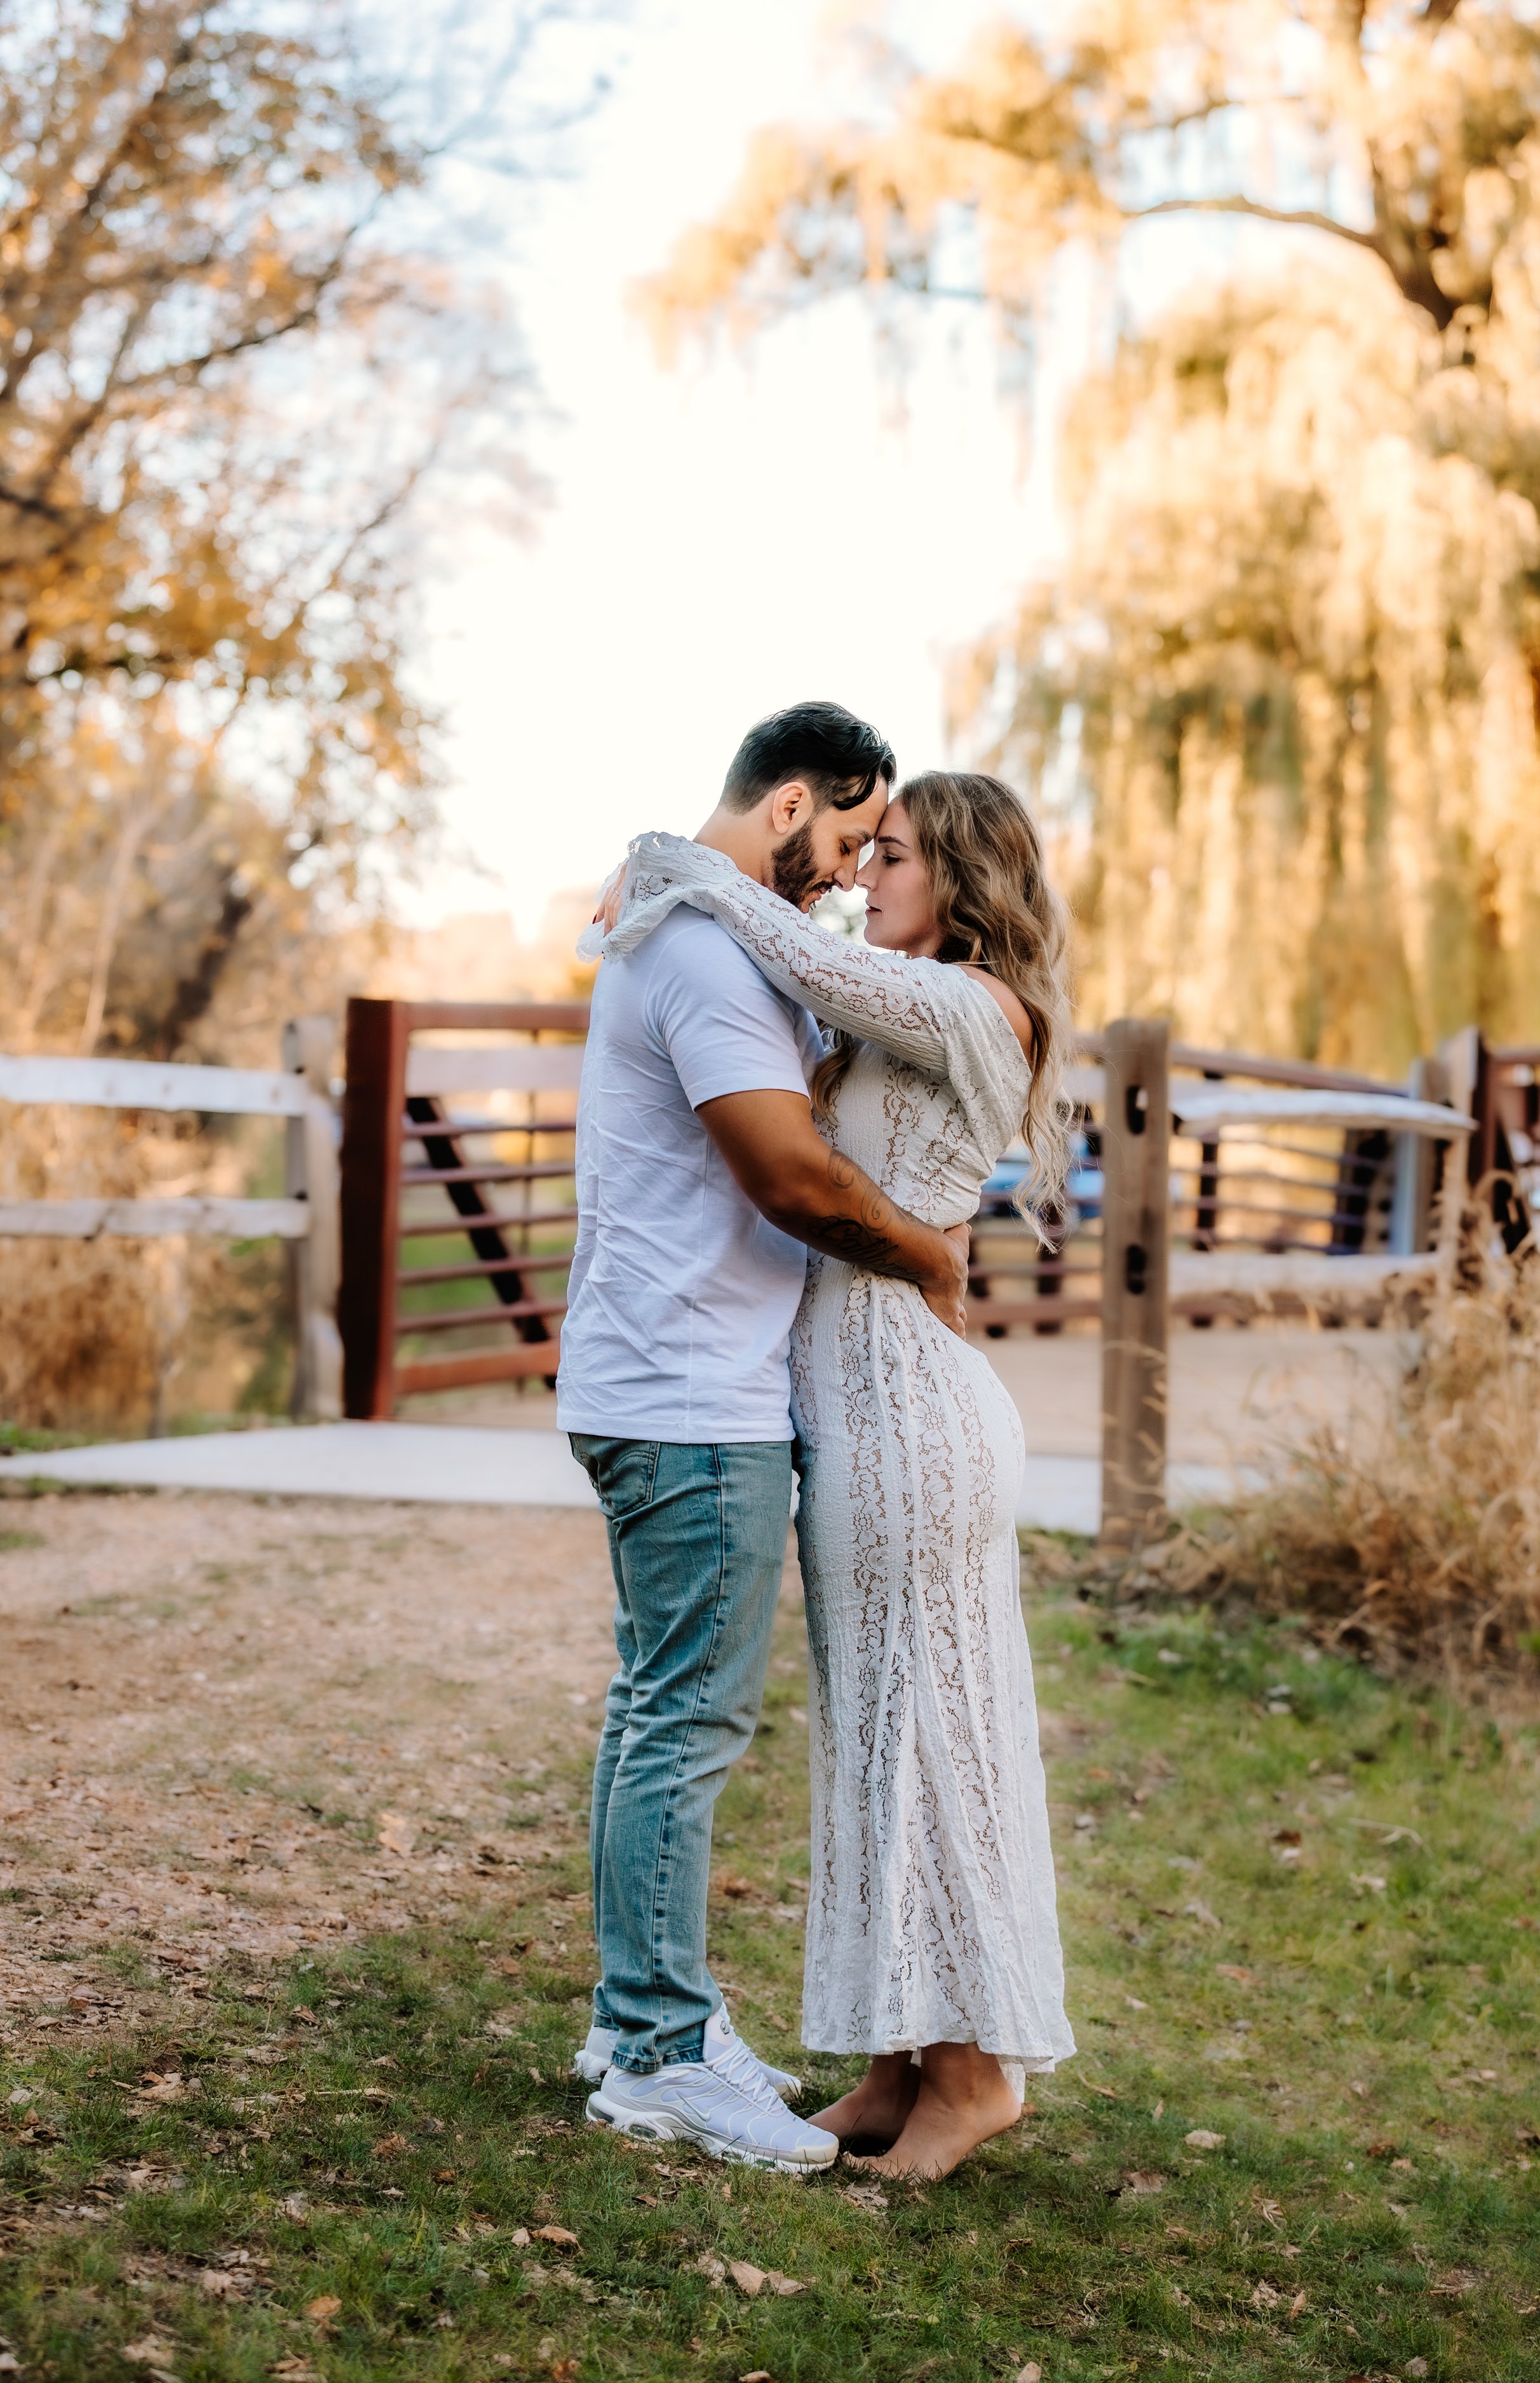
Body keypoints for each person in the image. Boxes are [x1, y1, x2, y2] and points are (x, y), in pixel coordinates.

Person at [599, 772, 1075, 2180]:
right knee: (875, 1739)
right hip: (854, 1414)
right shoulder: (895, 993)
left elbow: (789, 946)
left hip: (914, 1420)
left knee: (934, 1735)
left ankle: (976, 2073)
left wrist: (659, 860)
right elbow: (796, 979)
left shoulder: (981, 1006)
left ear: (970, 876)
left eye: (900, 855)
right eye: (868, 851)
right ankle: (895, 2059)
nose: (869, 876)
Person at [555, 702, 971, 2175]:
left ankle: (634, 2018)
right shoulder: (701, 951)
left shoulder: (687, 924)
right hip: (688, 1401)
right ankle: (660, 2053)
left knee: (653, 1705)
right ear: (791, 804)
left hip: (659, 1384)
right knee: (685, 1721)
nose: (855, 874)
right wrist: (925, 1252)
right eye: (851, 838)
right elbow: (789, 1177)